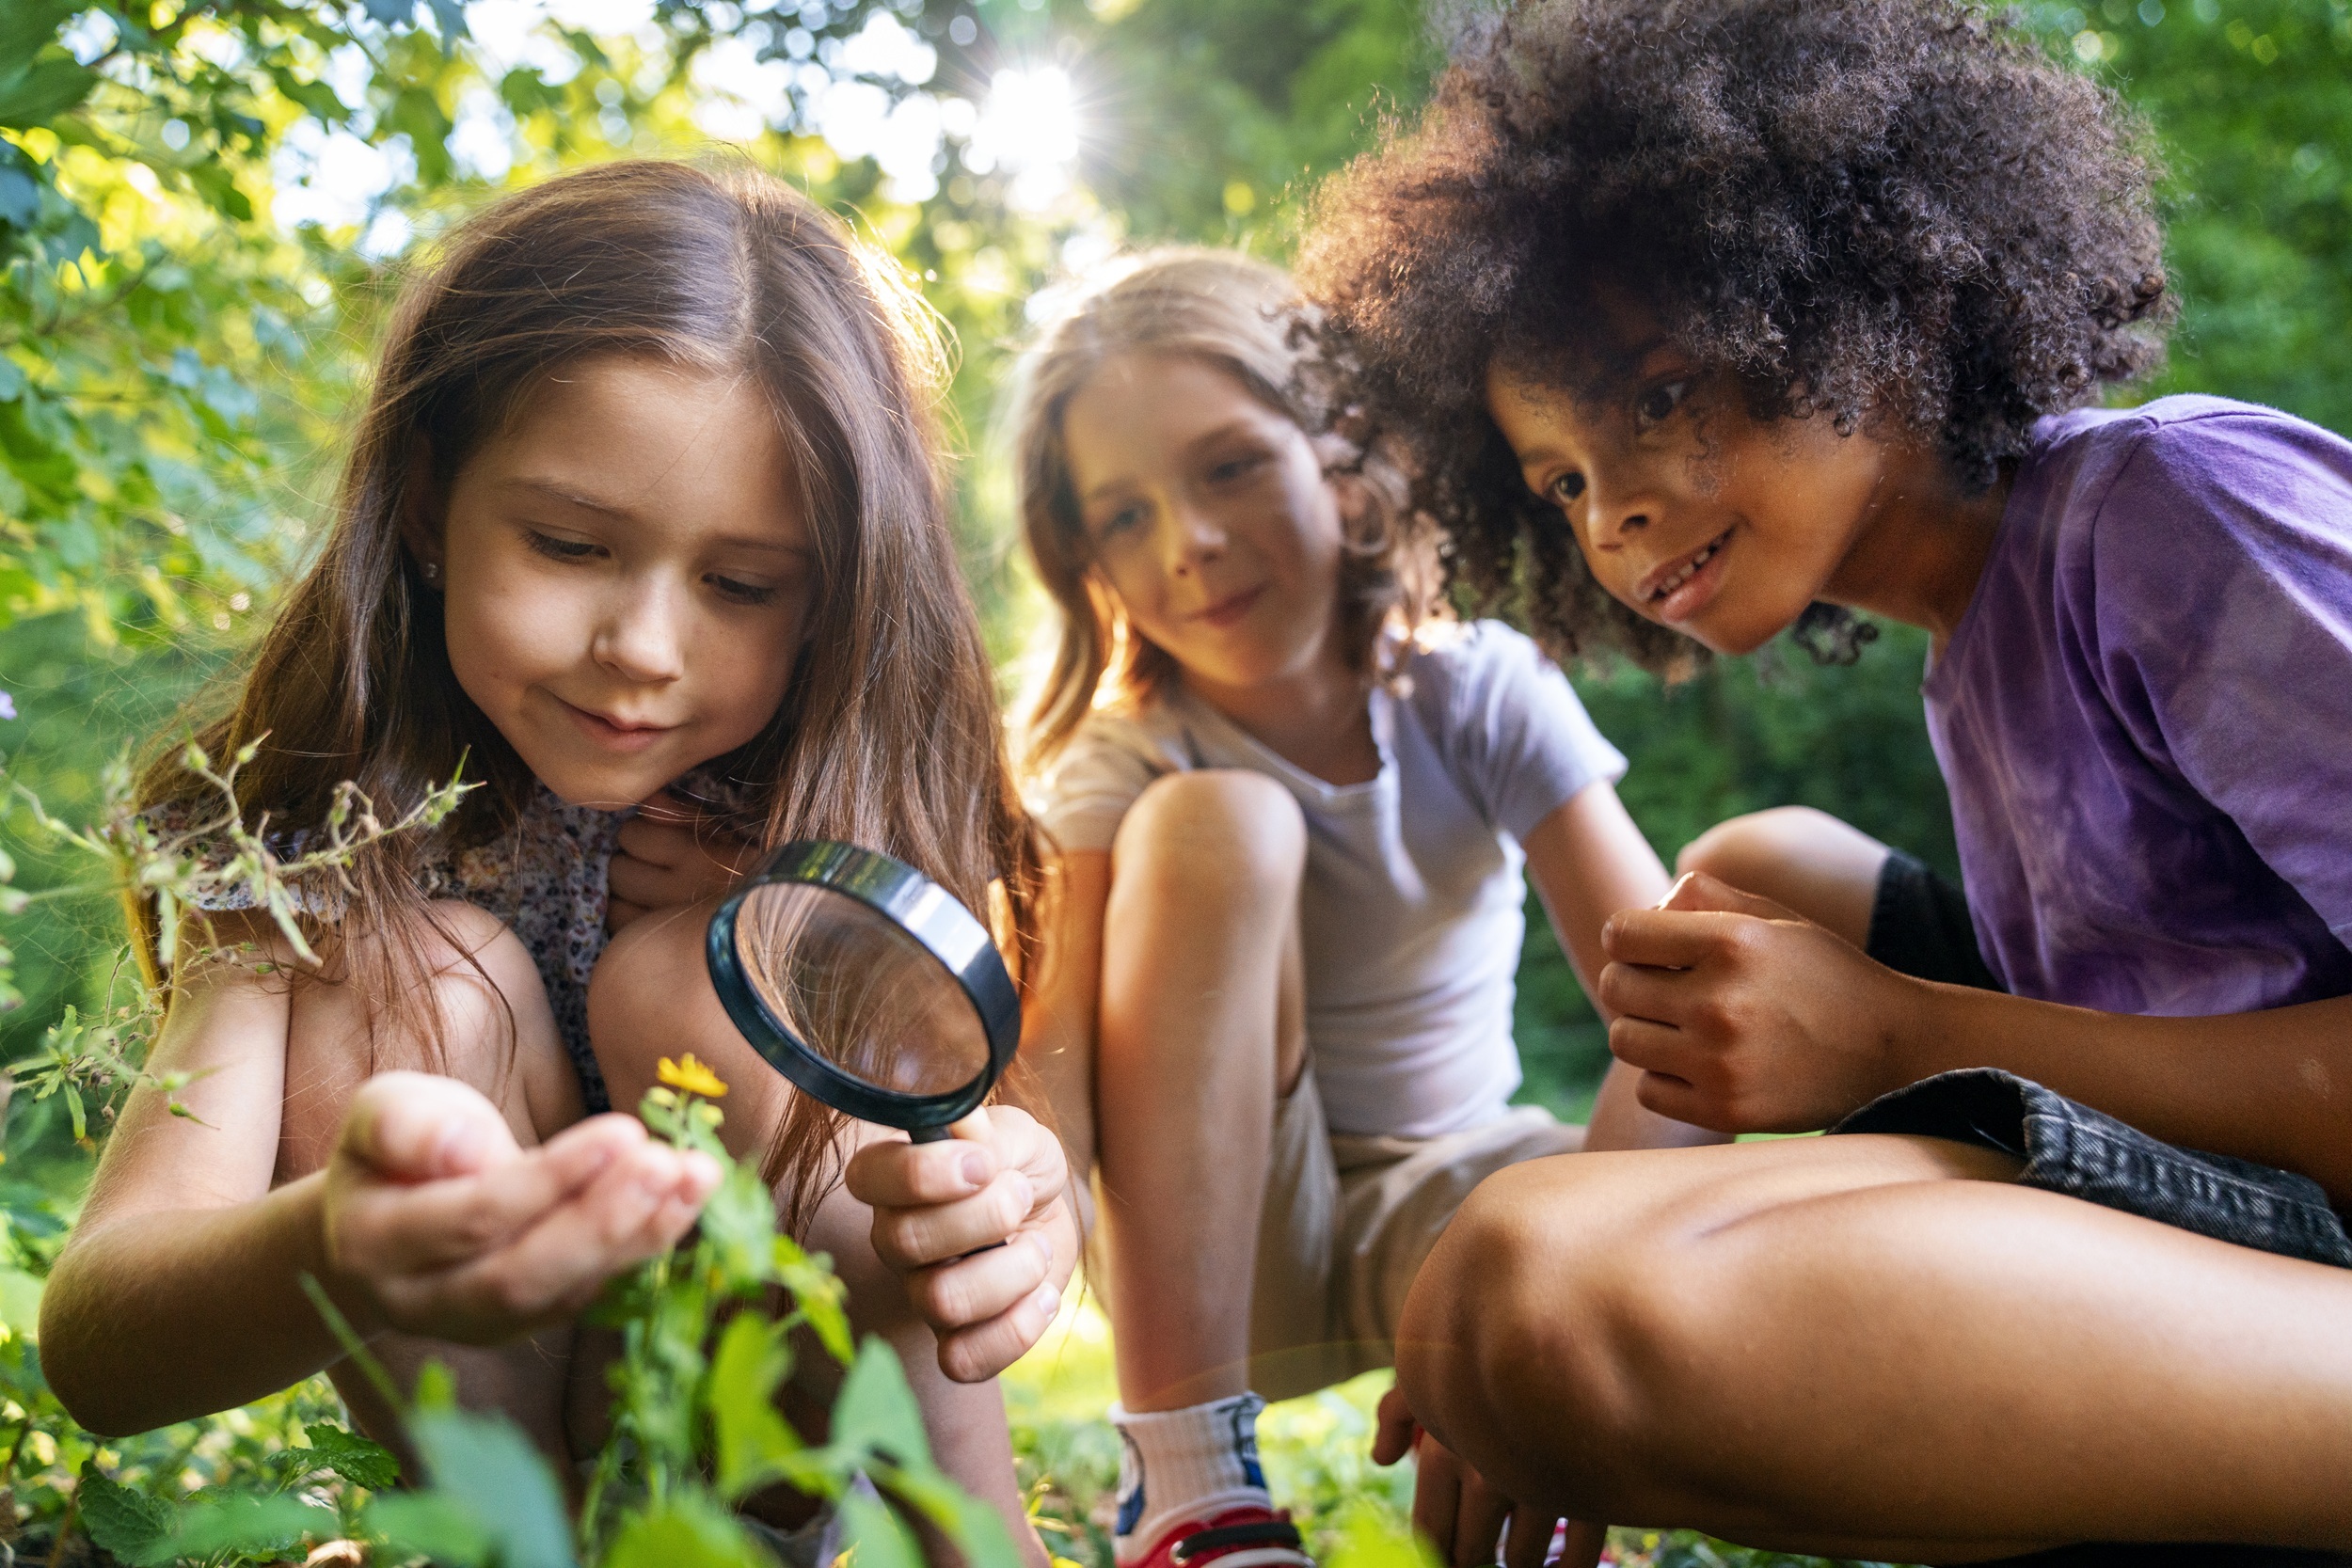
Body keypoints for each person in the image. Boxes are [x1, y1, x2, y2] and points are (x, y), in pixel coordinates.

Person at [1284, 0, 2352, 1560]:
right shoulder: (1975, 646)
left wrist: (1904, 1038)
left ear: (1861, 295)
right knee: (1748, 875)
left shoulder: (2163, 507)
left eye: (1656, 396)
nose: (1615, 515)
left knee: (1538, 1293)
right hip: (2238, 1206)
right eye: (1560, 482)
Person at [42, 160, 1050, 1558]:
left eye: (740, 583)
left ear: (830, 596)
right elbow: (99, 1340)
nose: (641, 647)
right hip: (499, 1482)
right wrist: (336, 1245)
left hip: (763, 1486)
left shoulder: (828, 817)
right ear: (426, 506)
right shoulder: (309, 842)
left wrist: (1001, 1205)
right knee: (405, 969)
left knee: (712, 978)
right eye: (572, 545)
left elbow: (946, 1173)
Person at [845, 249, 1710, 1568]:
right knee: (1220, 825)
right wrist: (1011, 1199)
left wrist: (1549, 1296)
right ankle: (1187, 1484)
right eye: (1122, 517)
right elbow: (1055, 1082)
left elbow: (1679, 1023)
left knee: (1701, 1117)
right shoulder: (1126, 756)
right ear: (1090, 566)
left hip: (1463, 1208)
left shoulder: (1478, 691)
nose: (1185, 543)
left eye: (1230, 467)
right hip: (1232, 1254)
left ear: (1342, 455)